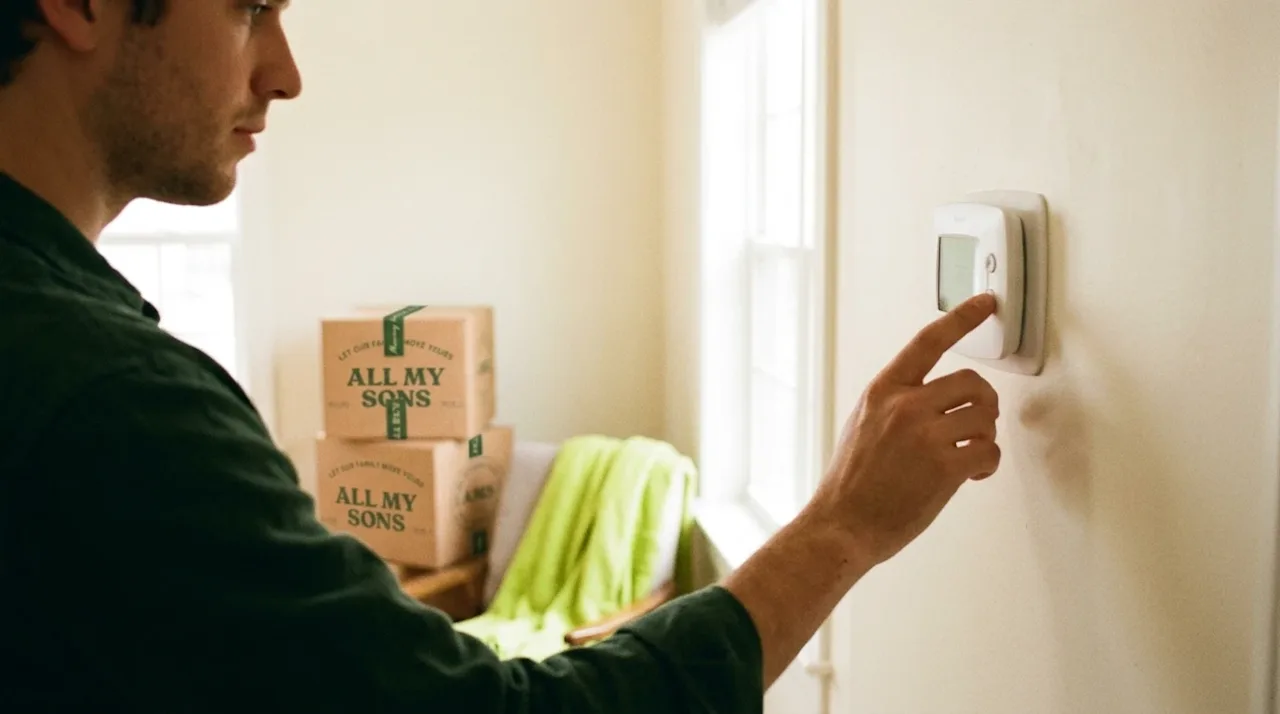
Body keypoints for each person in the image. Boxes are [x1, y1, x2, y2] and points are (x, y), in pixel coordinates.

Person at [0, 1, 1003, 711]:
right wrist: (839, 529)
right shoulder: (113, 406)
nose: (285, 72)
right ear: (81, 6)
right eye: (249, 8)